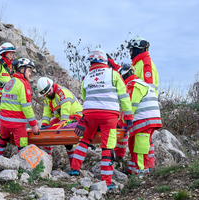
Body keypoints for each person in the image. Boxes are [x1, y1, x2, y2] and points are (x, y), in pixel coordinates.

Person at [69, 48, 133, 190]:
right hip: (109, 116)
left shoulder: (87, 77)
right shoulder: (114, 74)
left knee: (84, 140)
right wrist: (128, 117)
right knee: (107, 146)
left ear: (91, 62)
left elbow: (85, 97)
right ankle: (107, 182)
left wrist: (88, 116)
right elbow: (124, 97)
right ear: (105, 60)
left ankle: (74, 169)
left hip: (90, 114)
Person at [116, 64, 162, 175]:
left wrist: (120, 124)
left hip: (144, 120)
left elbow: (130, 107)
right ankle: (133, 170)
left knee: (139, 148)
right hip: (150, 119)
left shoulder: (133, 85)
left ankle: (141, 172)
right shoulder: (141, 83)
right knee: (134, 143)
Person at [0, 58, 40, 156]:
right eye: (29, 71)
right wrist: (33, 125)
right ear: (21, 70)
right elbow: (26, 107)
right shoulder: (23, 84)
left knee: (1, 141)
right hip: (17, 124)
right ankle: (22, 167)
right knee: (22, 146)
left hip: (3, 122)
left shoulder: (10, 82)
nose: (30, 74)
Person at [126, 36, 159, 167]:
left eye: (131, 50)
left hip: (144, 110)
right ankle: (146, 167)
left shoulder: (145, 63)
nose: (129, 53)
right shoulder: (138, 63)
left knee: (141, 142)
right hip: (144, 110)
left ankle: (143, 170)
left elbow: (146, 88)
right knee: (143, 142)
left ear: (137, 49)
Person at [37, 77, 83, 164]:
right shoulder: (47, 97)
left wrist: (57, 127)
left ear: (52, 85)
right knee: (46, 133)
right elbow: (47, 113)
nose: (49, 94)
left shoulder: (62, 93)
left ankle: (74, 164)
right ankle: (46, 161)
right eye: (46, 93)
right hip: (64, 117)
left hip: (76, 117)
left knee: (67, 138)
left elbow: (64, 116)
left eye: (49, 91)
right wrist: (44, 126)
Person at [0, 42, 16, 157]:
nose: (12, 55)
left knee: (8, 118)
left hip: (7, 99)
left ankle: (6, 138)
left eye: (12, 53)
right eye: (10, 53)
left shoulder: (11, 67)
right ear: (4, 53)